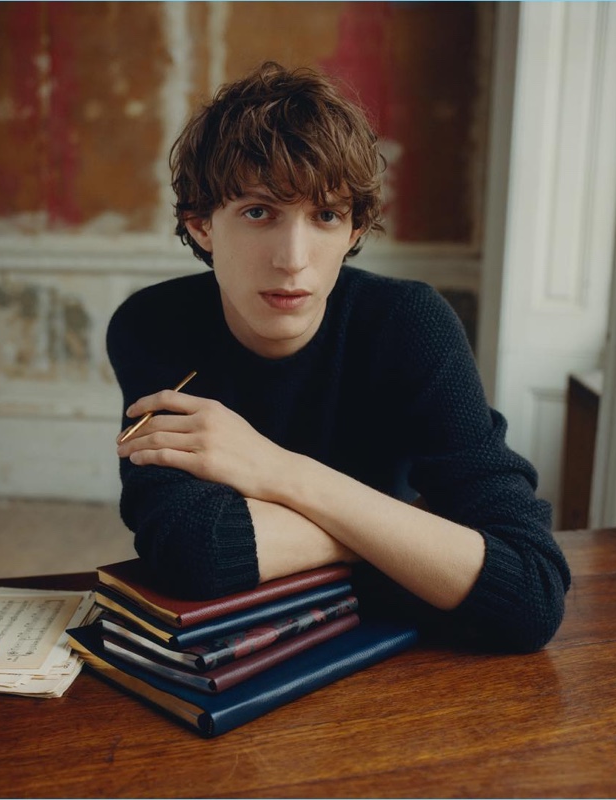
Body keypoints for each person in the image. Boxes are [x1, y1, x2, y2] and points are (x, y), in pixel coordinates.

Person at [106, 61, 570, 653]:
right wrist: (406, 538)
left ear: (353, 231)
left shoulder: (410, 324)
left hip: (398, 658)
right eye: (258, 212)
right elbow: (194, 551)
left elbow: (531, 593)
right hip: (240, 653)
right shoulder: (153, 326)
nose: (294, 259)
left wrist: (274, 469)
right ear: (201, 225)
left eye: (325, 216)